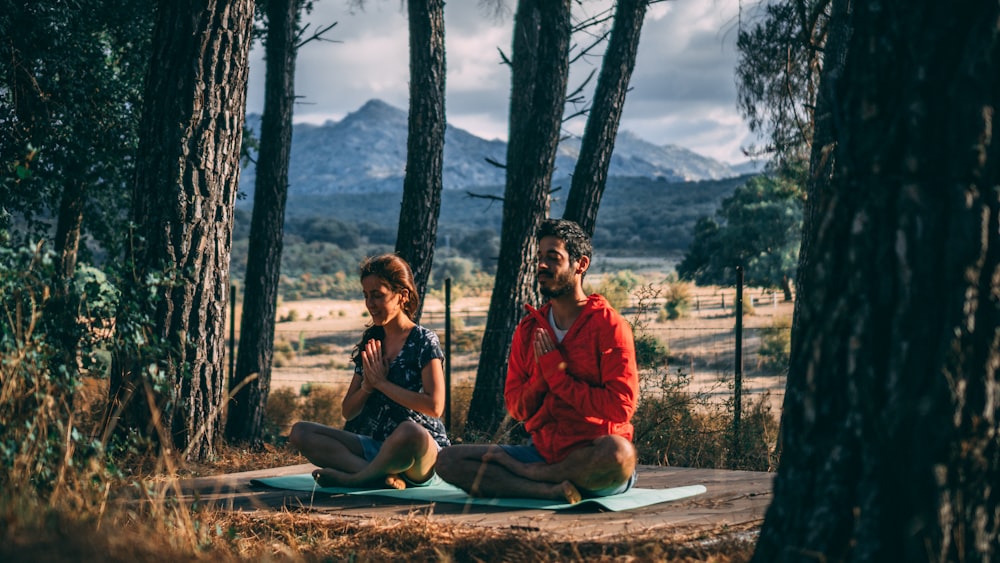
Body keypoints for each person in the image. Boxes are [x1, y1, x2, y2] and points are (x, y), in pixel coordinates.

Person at [436, 219, 639, 503]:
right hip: (541, 454)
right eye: (539, 258)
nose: (542, 266)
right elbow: (517, 408)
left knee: (619, 454)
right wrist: (541, 380)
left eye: (553, 258)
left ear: (581, 264)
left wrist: (558, 377)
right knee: (447, 460)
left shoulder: (609, 326)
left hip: (592, 455)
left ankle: (533, 476)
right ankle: (544, 487)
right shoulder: (529, 329)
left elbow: (621, 408)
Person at [288, 254, 449, 489]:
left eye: (377, 295)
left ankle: (356, 478)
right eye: (366, 295)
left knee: (409, 431)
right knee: (300, 432)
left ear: (402, 296)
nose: (370, 303)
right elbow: (348, 411)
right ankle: (380, 476)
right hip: (376, 447)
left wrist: (383, 384)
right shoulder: (372, 341)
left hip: (417, 452)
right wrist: (367, 387)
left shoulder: (424, 340)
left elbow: (435, 407)